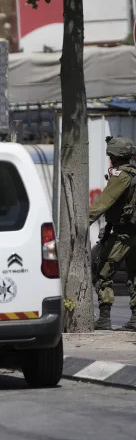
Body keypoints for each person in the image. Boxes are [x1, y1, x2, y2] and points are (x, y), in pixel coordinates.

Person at [90, 136, 136, 331]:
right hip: (132, 233)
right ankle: (134, 319)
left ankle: (104, 319)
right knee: (134, 274)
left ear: (113, 156)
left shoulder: (121, 176)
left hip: (123, 234)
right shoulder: (133, 174)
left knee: (102, 271)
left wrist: (84, 221)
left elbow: (103, 203)